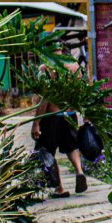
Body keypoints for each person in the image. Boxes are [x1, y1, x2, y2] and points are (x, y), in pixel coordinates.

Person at [30, 55, 88, 197]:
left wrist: (36, 123)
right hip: (70, 115)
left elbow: (44, 100)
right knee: (72, 147)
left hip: (52, 117)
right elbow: (81, 90)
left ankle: (60, 188)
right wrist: (85, 112)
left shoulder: (45, 68)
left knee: (48, 151)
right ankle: (79, 172)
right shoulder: (74, 66)